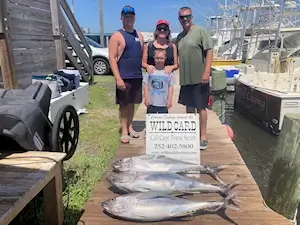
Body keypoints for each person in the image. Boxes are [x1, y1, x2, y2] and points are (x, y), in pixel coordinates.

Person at [174, 6, 213, 150]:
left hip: (200, 77)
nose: (185, 19)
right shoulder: (179, 38)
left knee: (201, 107)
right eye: (182, 17)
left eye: (187, 16)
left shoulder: (201, 31)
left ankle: (203, 135)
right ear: (179, 19)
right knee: (189, 107)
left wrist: (206, 71)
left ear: (191, 17)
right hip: (186, 79)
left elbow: (209, 51)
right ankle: (191, 134)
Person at [108, 5, 144, 144]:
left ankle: (130, 127)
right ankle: (124, 131)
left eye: (131, 16)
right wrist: (118, 78)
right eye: (126, 16)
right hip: (124, 76)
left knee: (132, 104)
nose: (129, 19)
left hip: (137, 75)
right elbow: (112, 58)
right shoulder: (117, 36)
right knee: (124, 104)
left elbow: (141, 55)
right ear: (121, 18)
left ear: (134, 17)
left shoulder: (139, 35)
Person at [143, 48, 174, 114]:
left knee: (163, 122)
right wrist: (146, 98)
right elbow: (146, 84)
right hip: (151, 103)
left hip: (163, 103)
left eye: (161, 58)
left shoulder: (168, 72)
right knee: (151, 122)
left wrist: (169, 100)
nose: (159, 60)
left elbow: (170, 86)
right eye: (157, 58)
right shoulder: (150, 71)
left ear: (165, 58)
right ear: (154, 58)